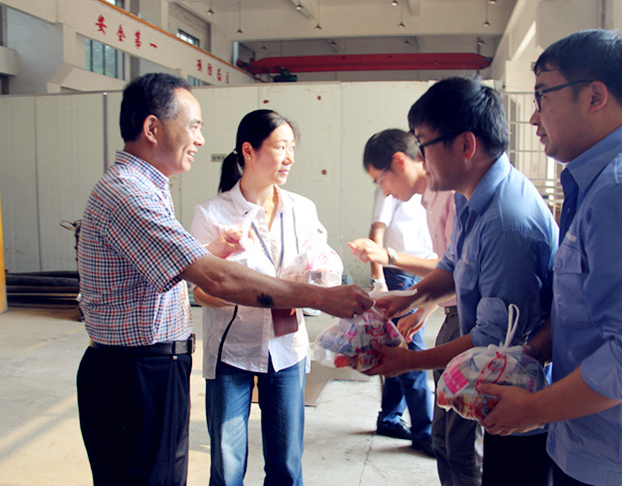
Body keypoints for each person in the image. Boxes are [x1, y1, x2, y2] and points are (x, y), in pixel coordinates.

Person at [75, 73, 372, 486]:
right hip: (137, 372)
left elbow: (188, 267)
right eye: (193, 126)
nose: (200, 139)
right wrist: (320, 298)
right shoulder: (131, 194)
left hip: (159, 366)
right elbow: (214, 280)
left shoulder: (150, 188)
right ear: (152, 128)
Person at [476, 29, 622, 486]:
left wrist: (532, 410)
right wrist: (535, 350)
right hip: (600, 446)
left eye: (543, 96)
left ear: (595, 96)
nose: (534, 117)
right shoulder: (603, 182)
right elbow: (591, 307)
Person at [368, 76, 558, 486]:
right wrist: (410, 297)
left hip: (521, 394)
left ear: (466, 145)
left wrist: (408, 361)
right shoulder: (469, 196)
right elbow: (454, 263)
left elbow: (492, 337)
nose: (421, 158)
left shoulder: (507, 222)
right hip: (498, 380)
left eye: (424, 145)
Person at [189, 109, 332, 486]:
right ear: (248, 151)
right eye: (280, 147)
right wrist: (248, 293)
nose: (290, 157)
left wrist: (319, 279)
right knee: (227, 466)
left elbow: (319, 262)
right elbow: (201, 291)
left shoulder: (301, 209)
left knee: (286, 465)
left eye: (292, 147)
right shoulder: (212, 214)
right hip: (231, 352)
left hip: (287, 349)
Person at [349, 128, 482, 484]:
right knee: (446, 439)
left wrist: (390, 258)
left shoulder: (453, 196)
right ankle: (400, 420)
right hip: (441, 301)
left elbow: (455, 267)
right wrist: (424, 304)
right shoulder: (428, 200)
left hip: (464, 314)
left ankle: (412, 424)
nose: (383, 191)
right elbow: (451, 267)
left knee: (460, 443)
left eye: (381, 180)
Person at [360, 178, 437, 457]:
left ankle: (390, 418)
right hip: (399, 274)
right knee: (412, 350)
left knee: (399, 345)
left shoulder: (431, 188)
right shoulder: (389, 186)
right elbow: (376, 232)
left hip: (426, 270)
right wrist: (378, 280)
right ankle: (424, 432)